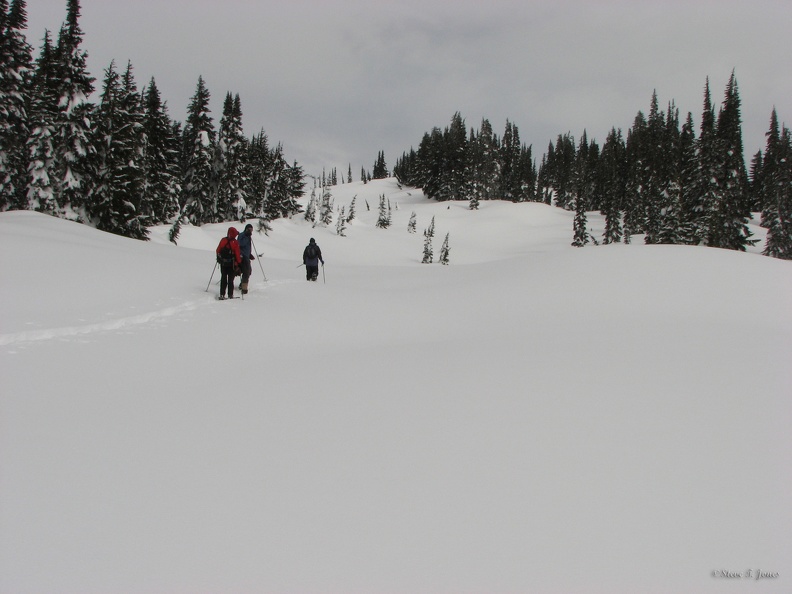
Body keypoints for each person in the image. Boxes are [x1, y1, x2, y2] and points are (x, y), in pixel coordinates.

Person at [215, 227, 241, 299]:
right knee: (230, 279)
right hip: (231, 264)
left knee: (223, 278)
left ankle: (222, 294)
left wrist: (219, 258)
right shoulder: (235, 242)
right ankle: (230, 294)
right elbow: (237, 254)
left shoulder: (223, 240)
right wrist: (238, 262)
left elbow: (218, 250)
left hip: (223, 263)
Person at [237, 223, 255, 294]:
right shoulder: (242, 235)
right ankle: (244, 287)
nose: (250, 231)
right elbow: (240, 244)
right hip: (242, 256)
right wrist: (247, 237)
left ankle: (242, 284)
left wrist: (249, 254)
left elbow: (247, 247)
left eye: (251, 230)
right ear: (246, 229)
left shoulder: (248, 236)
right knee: (246, 271)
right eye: (249, 229)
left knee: (249, 271)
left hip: (246, 256)